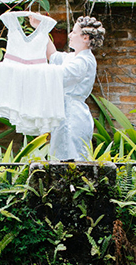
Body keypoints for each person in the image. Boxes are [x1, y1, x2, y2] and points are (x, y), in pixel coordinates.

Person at [29, 14, 106, 160]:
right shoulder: (73, 57)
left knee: (74, 157)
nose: (70, 35)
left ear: (85, 38)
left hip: (73, 115)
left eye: (74, 32)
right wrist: (41, 28)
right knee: (61, 156)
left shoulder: (83, 61)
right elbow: (52, 55)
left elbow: (60, 74)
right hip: (65, 112)